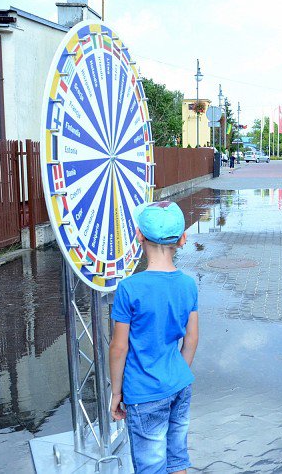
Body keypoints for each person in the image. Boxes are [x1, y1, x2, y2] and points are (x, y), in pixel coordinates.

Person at [109, 201, 199, 473]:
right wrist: (177, 372)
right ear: (182, 239)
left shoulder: (129, 289)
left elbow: (118, 347)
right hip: (180, 384)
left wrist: (116, 392)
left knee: (151, 466)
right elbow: (192, 339)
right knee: (177, 459)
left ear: (138, 235)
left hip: (144, 392)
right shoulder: (188, 284)